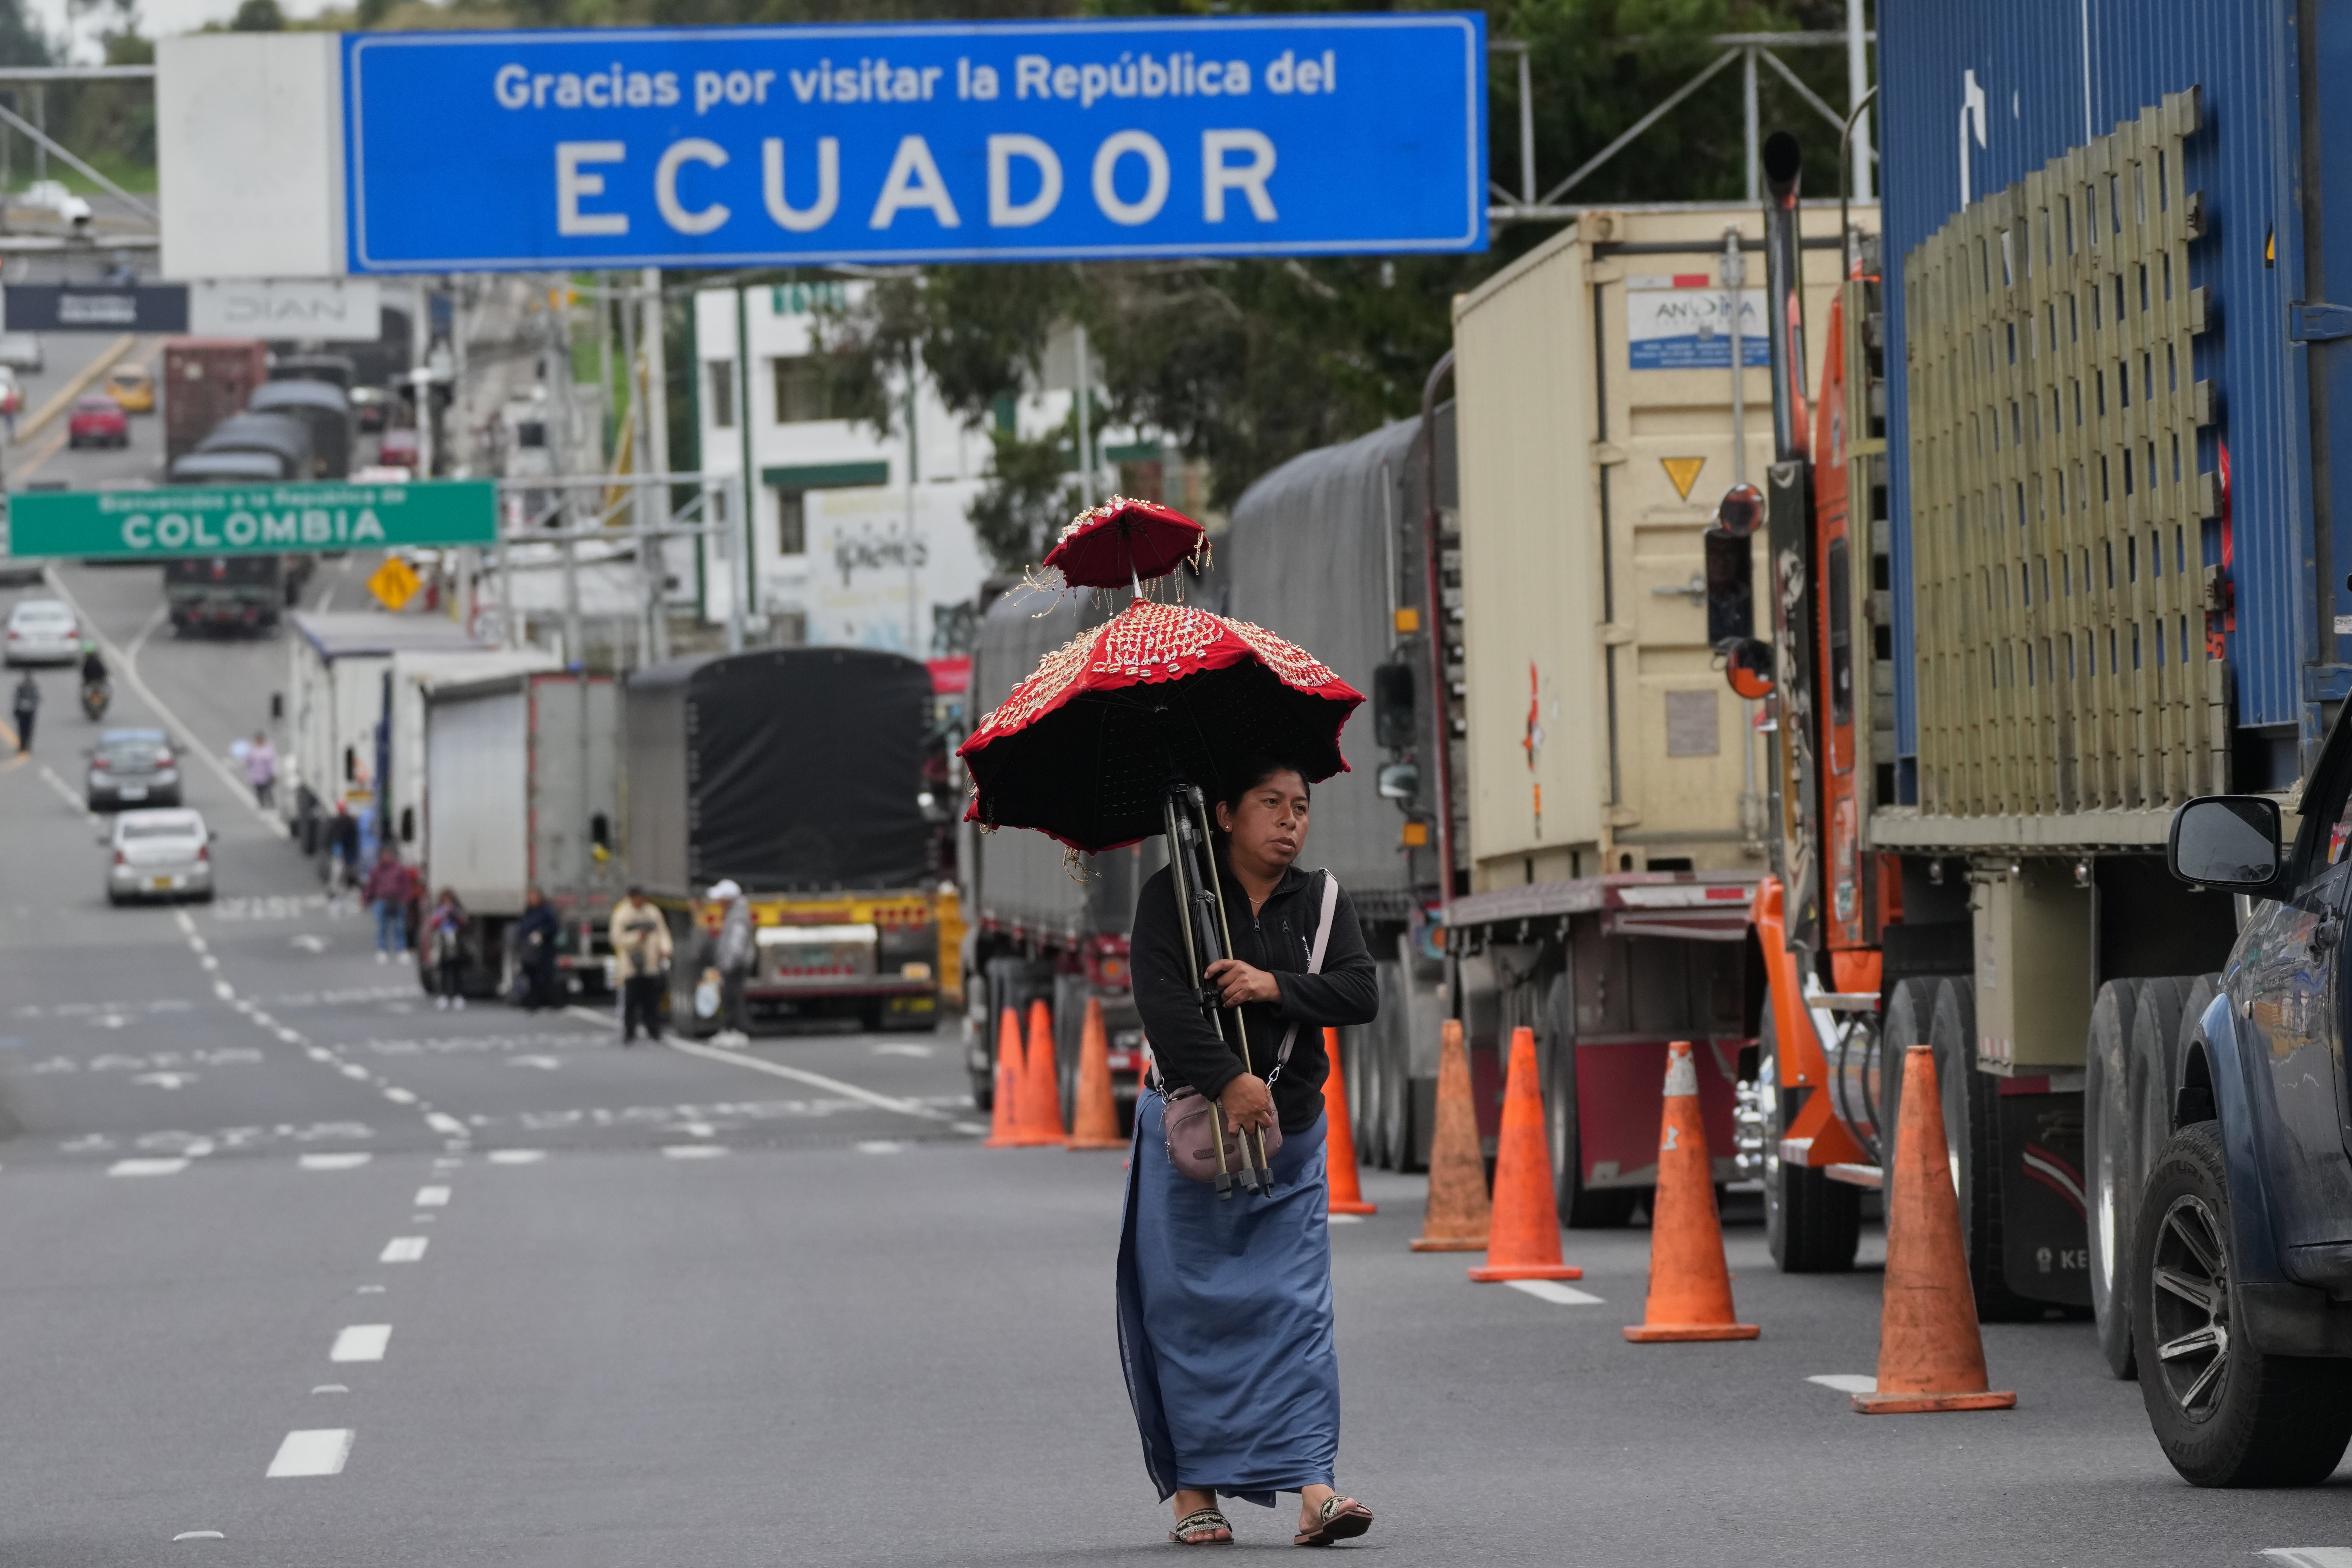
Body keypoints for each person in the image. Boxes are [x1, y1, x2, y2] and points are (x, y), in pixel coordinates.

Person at [1120, 758, 1381, 1549]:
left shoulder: (1323, 899)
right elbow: (1162, 1005)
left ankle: (1315, 1488)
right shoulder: (1172, 897)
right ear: (1226, 814)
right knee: (1186, 1316)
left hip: (1291, 1141)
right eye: (1270, 803)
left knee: (1295, 1314)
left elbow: (1360, 991)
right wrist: (1228, 1080)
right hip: (1192, 1142)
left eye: (1300, 806)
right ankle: (1194, 1493)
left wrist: (1273, 986)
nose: (1289, 819)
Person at [607, 885, 673, 1045]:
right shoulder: (622, 914)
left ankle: (654, 1031)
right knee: (631, 1001)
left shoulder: (652, 912)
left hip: (651, 963)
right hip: (631, 965)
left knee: (651, 1001)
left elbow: (663, 932)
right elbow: (616, 939)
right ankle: (630, 1033)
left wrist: (666, 949)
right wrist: (637, 937)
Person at [708, 878, 755, 1045]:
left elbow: (737, 943)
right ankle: (732, 1029)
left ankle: (738, 1030)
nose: (718, 902)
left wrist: (728, 964)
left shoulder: (738, 916)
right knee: (731, 996)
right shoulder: (735, 913)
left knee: (734, 997)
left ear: (728, 899)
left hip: (735, 965)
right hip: (733, 963)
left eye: (720, 899)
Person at [514, 887, 561, 1011]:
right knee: (531, 976)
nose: (531, 899)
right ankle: (533, 1002)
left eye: (534, 896)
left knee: (545, 976)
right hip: (530, 950)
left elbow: (554, 927)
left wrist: (542, 933)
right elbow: (523, 928)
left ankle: (549, 1001)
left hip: (544, 950)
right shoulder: (529, 911)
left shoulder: (546, 911)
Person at [362, 844, 409, 961]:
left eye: (388, 855)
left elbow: (406, 885)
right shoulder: (377, 869)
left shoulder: (399, 868)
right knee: (382, 926)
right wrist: (365, 899)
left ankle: (401, 949)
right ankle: (382, 949)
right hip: (381, 900)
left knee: (399, 926)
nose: (386, 858)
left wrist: (406, 899)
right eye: (384, 856)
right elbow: (371, 886)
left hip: (397, 900)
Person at [425, 889, 467, 1010]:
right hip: (442, 945)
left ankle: (457, 995)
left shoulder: (457, 912)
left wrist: (454, 915)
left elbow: (463, 923)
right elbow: (433, 924)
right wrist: (443, 915)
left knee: (456, 971)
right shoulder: (439, 912)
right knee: (443, 971)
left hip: (455, 945)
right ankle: (444, 995)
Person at [245, 730, 278, 810]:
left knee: (268, 790)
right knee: (259, 791)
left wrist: (273, 772)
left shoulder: (268, 749)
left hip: (267, 774)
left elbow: (272, 761)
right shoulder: (253, 749)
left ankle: (271, 805)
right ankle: (261, 804)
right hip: (257, 774)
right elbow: (249, 761)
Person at [10, 669, 35, 752]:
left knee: (26, 729)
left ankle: (25, 744)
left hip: (28, 710)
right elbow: (16, 698)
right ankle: (24, 744)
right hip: (25, 710)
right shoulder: (24, 687)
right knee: (24, 729)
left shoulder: (29, 687)